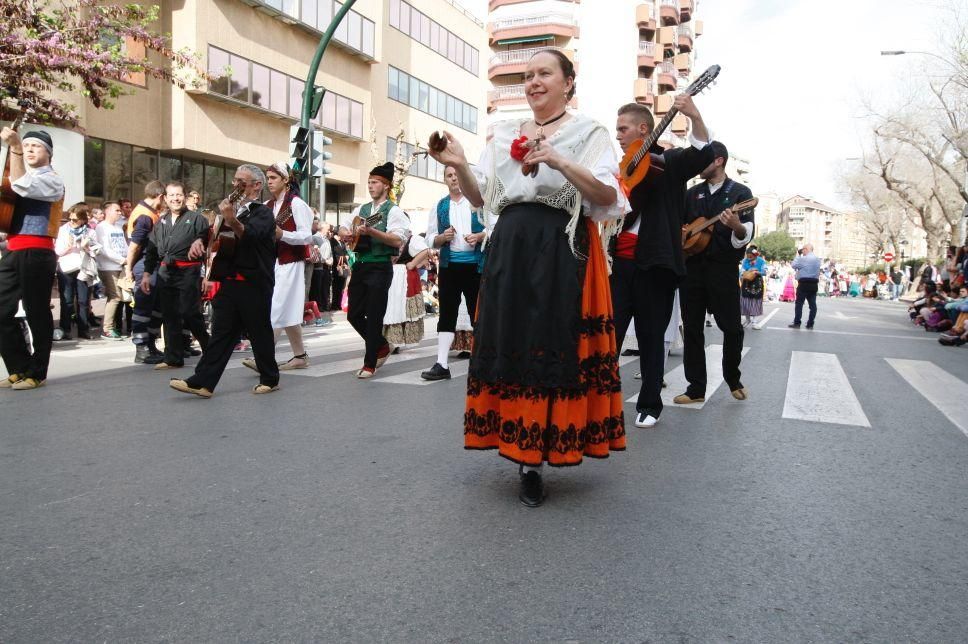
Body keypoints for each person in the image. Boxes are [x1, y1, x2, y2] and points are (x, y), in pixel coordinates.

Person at [430, 49, 628, 507]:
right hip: (511, 245)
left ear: (567, 82)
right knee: (512, 341)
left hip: (561, 244)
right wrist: (460, 163)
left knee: (550, 343)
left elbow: (606, 198)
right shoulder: (502, 133)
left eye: (544, 73)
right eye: (528, 75)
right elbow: (487, 199)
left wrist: (559, 161)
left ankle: (539, 454)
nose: (534, 81)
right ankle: (523, 455)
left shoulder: (589, 133)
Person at [611, 98, 714, 428]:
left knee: (651, 337)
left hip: (655, 265)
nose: (618, 135)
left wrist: (694, 115)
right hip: (619, 264)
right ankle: (600, 400)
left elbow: (701, 153)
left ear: (643, 129)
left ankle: (650, 403)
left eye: (622, 128)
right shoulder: (620, 168)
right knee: (606, 334)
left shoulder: (668, 163)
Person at [170, 164, 280, 398]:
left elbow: (251, 238)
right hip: (229, 280)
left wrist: (232, 218)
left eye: (242, 181)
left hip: (254, 282)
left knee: (258, 331)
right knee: (221, 333)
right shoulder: (232, 210)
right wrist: (200, 240)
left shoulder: (263, 212)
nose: (236, 185)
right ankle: (203, 382)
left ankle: (270, 378)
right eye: (235, 180)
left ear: (256, 186)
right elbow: (214, 231)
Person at [675, 141, 755, 406]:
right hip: (693, 270)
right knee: (693, 329)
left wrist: (736, 226)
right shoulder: (691, 193)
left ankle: (733, 378)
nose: (698, 166)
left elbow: (746, 233)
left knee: (732, 328)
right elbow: (680, 226)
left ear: (719, 161)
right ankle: (695, 386)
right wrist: (684, 233)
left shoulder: (740, 193)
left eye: (704, 161)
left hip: (722, 269)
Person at [0, 128, 65, 390]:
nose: (28, 149)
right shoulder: (16, 175)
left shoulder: (53, 180)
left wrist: (14, 148)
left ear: (48, 153)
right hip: (13, 250)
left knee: (36, 310)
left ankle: (37, 372)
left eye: (35, 146)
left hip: (38, 252)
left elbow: (22, 184)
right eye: (25, 145)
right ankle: (19, 366)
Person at [242, 162, 312, 373]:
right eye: (268, 178)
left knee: (276, 308)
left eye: (273, 178)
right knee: (287, 311)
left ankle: (262, 356)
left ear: (285, 180)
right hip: (272, 263)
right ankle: (300, 356)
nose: (269, 182)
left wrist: (284, 235)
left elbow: (307, 235)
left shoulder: (297, 205)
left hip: (290, 262)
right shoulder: (267, 205)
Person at [340, 163, 408, 378]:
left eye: (375, 182)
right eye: (369, 182)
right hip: (360, 265)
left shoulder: (393, 211)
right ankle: (381, 344)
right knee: (353, 314)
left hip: (380, 266)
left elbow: (398, 238)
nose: (370, 186)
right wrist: (346, 234)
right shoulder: (362, 210)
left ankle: (369, 363)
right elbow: (343, 225)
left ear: (386, 186)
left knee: (375, 314)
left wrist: (372, 232)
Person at [421, 166, 488, 380]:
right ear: (444, 180)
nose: (454, 179)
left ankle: (483, 361)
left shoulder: (478, 203)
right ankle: (441, 363)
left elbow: (495, 229)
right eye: (449, 175)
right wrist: (442, 238)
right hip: (450, 266)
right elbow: (429, 238)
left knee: (477, 312)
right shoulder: (440, 205)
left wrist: (479, 236)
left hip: (475, 266)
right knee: (447, 313)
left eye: (457, 175)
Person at [140, 181, 210, 369]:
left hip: (189, 270)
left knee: (190, 312)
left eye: (178, 195)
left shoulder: (197, 219)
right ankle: (173, 358)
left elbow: (206, 239)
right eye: (171, 195)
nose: (175, 199)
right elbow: (152, 251)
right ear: (165, 198)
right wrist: (147, 274)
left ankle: (210, 350)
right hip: (166, 271)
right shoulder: (160, 222)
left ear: (184, 197)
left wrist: (199, 242)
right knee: (169, 315)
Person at [124, 180, 166, 364]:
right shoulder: (145, 216)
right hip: (144, 266)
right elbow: (134, 246)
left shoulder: (149, 213)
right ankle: (141, 348)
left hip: (152, 265)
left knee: (155, 307)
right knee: (143, 307)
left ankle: (150, 345)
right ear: (161, 196)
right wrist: (128, 270)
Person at [54, 203, 100, 341]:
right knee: (67, 300)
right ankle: (65, 329)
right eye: (70, 219)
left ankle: (83, 329)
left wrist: (86, 247)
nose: (72, 222)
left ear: (83, 219)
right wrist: (69, 247)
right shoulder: (63, 230)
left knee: (83, 300)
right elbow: (58, 252)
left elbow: (96, 251)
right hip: (66, 267)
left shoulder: (90, 232)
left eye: (75, 220)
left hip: (83, 268)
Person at [383, 232, 432, 348]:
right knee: (392, 308)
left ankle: (395, 342)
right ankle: (391, 341)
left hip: (404, 275)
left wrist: (413, 263)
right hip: (391, 274)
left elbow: (425, 250)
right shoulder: (389, 235)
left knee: (401, 309)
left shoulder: (412, 238)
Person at [94, 200, 130, 340]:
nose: (119, 213)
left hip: (120, 266)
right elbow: (104, 249)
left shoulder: (117, 227)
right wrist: (121, 260)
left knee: (120, 297)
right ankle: (107, 329)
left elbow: (123, 245)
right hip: (108, 267)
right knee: (115, 297)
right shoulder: (101, 227)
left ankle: (113, 326)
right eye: (117, 210)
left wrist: (128, 259)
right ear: (107, 211)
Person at [789, 243, 821, 329]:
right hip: (814, 283)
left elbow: (793, 265)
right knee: (813, 305)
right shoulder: (818, 259)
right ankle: (810, 324)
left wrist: (798, 255)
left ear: (806, 249)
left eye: (803, 249)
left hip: (804, 283)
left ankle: (797, 323)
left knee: (799, 304)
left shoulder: (803, 259)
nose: (802, 251)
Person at [740, 247, 767, 327]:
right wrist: (745, 272)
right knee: (745, 301)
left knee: (756, 301)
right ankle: (747, 319)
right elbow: (742, 271)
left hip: (757, 283)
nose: (749, 258)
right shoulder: (745, 261)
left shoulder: (761, 261)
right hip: (747, 283)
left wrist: (758, 272)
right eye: (748, 256)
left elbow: (764, 272)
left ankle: (754, 321)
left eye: (750, 256)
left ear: (755, 255)